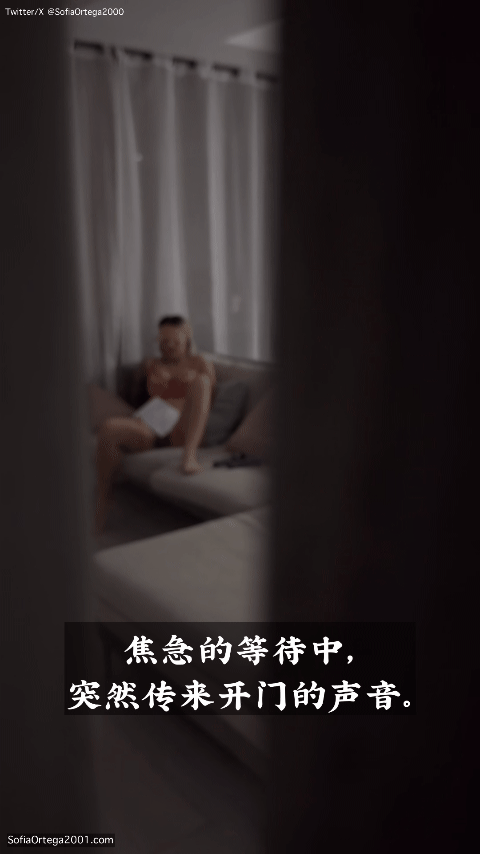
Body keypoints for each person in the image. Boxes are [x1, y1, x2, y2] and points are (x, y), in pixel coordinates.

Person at [95, 315, 215, 533]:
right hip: (150, 426)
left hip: (181, 430)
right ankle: (101, 502)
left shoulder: (200, 363)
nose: (168, 347)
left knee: (202, 382)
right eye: (163, 341)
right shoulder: (151, 364)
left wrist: (179, 384)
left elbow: (206, 400)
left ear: (187, 338)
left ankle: (189, 456)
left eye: (174, 341)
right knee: (110, 427)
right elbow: (136, 398)